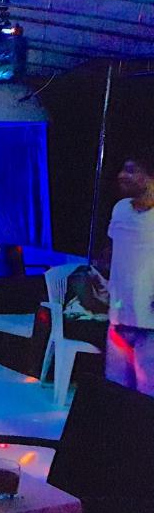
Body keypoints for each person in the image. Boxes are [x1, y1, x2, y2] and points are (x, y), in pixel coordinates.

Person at [104, 152, 154, 395]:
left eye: (132, 170)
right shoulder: (120, 209)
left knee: (146, 396)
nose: (122, 175)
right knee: (115, 394)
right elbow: (114, 250)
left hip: (150, 323)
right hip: (118, 318)